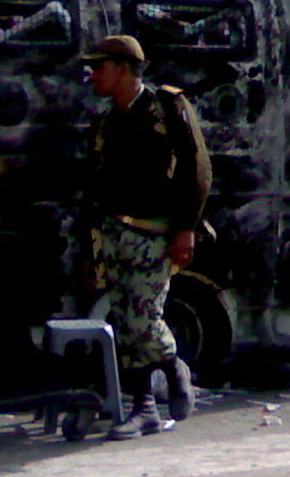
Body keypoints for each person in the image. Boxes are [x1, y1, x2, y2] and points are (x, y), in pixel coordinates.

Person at [82, 35, 212, 440]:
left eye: (99, 67)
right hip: (115, 232)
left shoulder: (167, 106)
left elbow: (197, 168)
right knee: (123, 321)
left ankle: (173, 368)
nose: (92, 76)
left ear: (123, 68)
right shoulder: (108, 120)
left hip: (155, 232)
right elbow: (96, 186)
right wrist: (92, 247)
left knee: (145, 318)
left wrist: (186, 228)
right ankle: (144, 409)